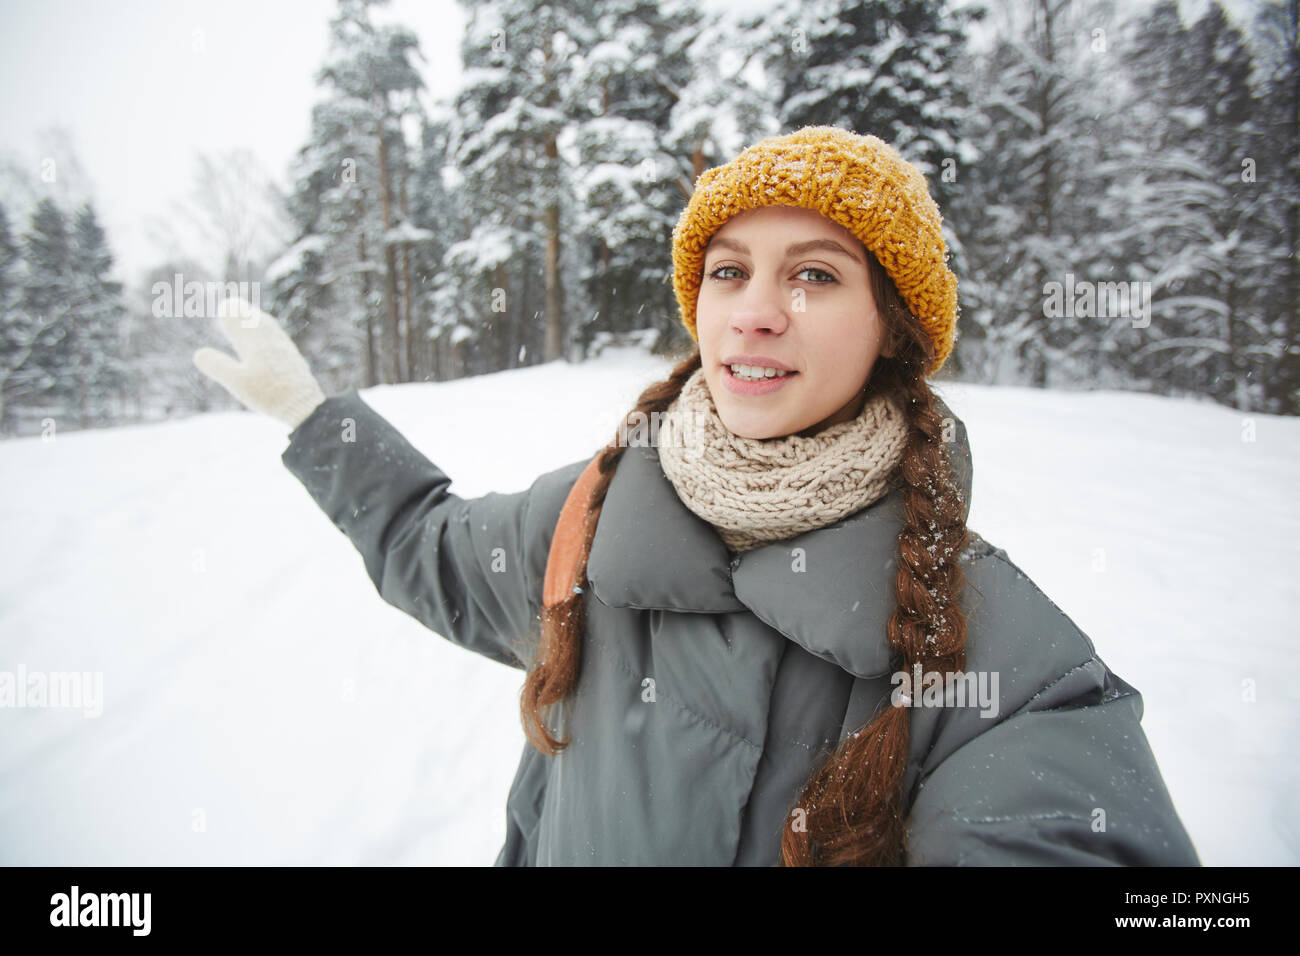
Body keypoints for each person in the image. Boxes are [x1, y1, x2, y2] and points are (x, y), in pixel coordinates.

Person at [194, 125, 1201, 867]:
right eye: (728, 271)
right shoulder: (587, 522)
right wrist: (315, 419)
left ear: (892, 326)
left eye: (813, 274)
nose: (756, 312)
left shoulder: (1001, 660)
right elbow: (430, 544)